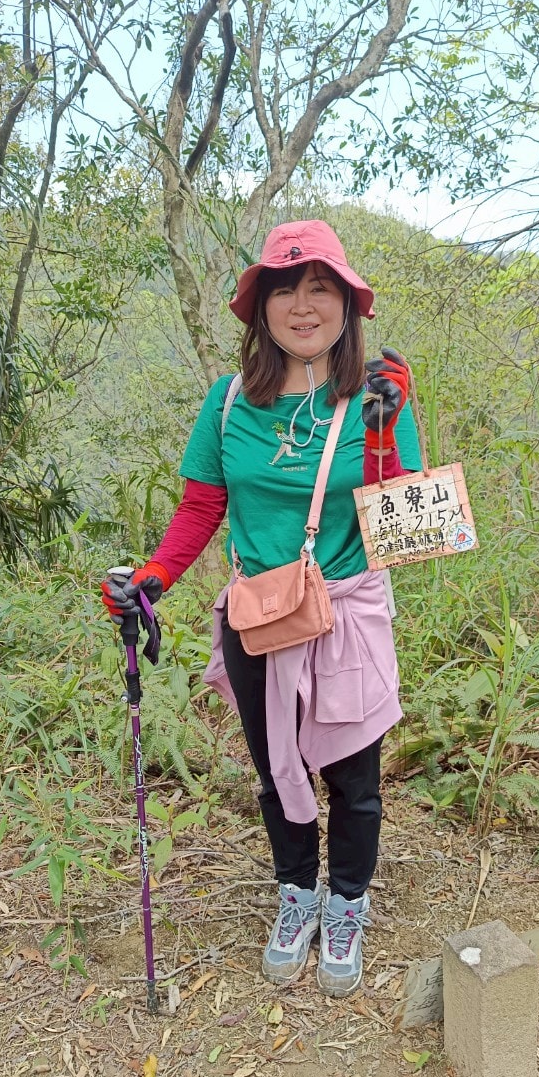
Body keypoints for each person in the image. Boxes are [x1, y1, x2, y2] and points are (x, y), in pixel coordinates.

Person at [102, 220, 421, 997]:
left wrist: (384, 435)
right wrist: (152, 578)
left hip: (346, 611)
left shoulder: (379, 389)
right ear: (260, 308)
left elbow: (408, 527)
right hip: (256, 614)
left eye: (321, 288)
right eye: (286, 289)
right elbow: (200, 509)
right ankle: (295, 892)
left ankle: (346, 900)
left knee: (353, 778)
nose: (303, 306)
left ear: (348, 304)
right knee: (277, 770)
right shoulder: (227, 404)